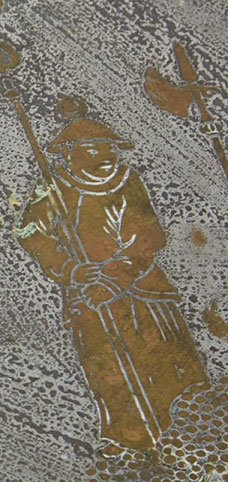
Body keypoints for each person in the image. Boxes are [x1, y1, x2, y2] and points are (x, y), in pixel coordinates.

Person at [18, 99, 207, 455]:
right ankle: (130, 439)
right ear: (69, 153)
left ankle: (193, 427)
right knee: (108, 367)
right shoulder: (53, 187)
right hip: (88, 294)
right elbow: (29, 231)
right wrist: (70, 269)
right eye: (93, 148)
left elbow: (150, 235)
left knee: (166, 358)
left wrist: (118, 275)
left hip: (141, 289)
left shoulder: (127, 180)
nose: (105, 155)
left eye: (109, 147)